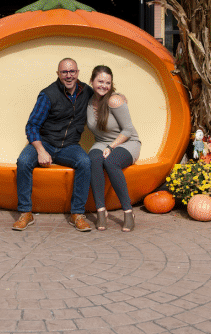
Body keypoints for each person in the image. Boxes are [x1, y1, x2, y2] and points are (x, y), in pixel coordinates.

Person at [13, 57, 93, 232]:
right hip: (46, 143)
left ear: (78, 73)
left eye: (72, 71)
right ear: (58, 74)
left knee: (85, 162)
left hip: (69, 146)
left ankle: (77, 214)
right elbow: (32, 125)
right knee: (23, 162)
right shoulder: (48, 94)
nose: (69, 75)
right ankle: (26, 212)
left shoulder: (87, 92)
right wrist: (41, 150)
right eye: (64, 72)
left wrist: (118, 97)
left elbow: (104, 97)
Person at [86, 65, 141, 232]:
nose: (104, 85)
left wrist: (111, 147)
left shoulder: (114, 100)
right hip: (101, 142)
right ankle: (101, 212)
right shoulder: (88, 100)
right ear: (92, 82)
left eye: (108, 82)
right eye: (100, 81)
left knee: (110, 163)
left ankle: (128, 211)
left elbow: (128, 130)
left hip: (126, 142)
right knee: (94, 160)